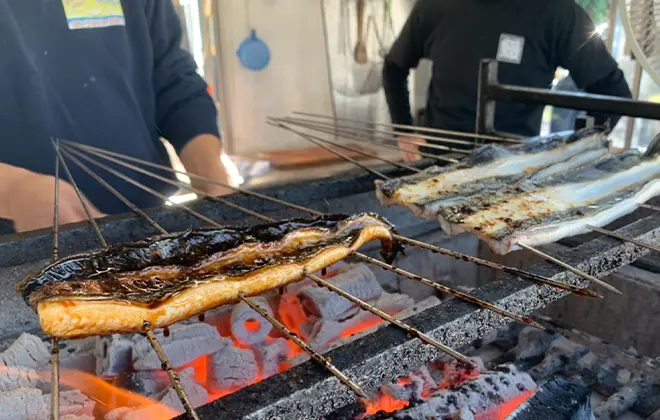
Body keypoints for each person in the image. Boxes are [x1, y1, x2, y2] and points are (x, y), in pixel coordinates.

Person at [0, 0, 232, 233]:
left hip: (148, 222)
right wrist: (14, 190)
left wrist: (212, 176)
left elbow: (172, 80)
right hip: (20, 244)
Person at [382, 0, 632, 161]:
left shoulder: (558, 13)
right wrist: (403, 130)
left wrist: (574, 151)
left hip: (513, 170)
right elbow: (394, 67)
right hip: (436, 161)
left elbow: (614, 92)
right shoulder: (436, 6)